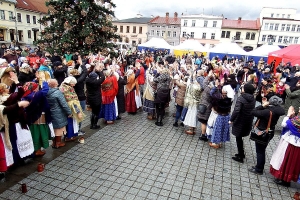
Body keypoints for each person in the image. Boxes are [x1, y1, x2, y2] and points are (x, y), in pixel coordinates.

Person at [249, 96, 285, 175]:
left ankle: (259, 169)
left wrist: (262, 106)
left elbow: (253, 112)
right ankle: (259, 166)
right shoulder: (278, 110)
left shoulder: (267, 112)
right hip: (270, 132)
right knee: (262, 150)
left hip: (262, 133)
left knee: (260, 151)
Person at [270, 106, 300, 187]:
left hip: (292, 143)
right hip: (296, 144)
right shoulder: (297, 118)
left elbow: (284, 124)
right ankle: (286, 179)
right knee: (292, 162)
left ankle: (285, 180)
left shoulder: (298, 120)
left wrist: (288, 115)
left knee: (286, 160)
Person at [22, 79, 51, 156]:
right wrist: (44, 81)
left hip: (31, 118)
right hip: (38, 117)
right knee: (38, 133)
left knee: (34, 133)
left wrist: (36, 79)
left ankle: (34, 149)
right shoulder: (36, 95)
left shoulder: (25, 95)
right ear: (34, 88)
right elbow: (45, 90)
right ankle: (37, 150)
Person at [230, 83, 256, 163]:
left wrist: (231, 119)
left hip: (240, 120)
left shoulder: (241, 98)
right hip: (248, 120)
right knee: (240, 137)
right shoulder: (253, 98)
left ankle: (240, 156)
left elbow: (236, 110)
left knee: (238, 137)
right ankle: (241, 153)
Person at [207, 79, 234, 149]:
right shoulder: (230, 99)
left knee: (217, 129)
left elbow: (211, 94)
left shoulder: (219, 98)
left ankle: (216, 143)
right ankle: (220, 142)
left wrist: (216, 86)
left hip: (220, 116)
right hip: (227, 116)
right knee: (224, 129)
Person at [46, 79, 72, 148]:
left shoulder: (46, 92)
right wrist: (69, 112)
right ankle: (58, 143)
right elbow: (64, 104)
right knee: (59, 129)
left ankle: (54, 142)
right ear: (55, 84)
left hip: (51, 112)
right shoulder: (57, 93)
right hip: (59, 112)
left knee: (54, 128)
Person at [59, 77, 85, 141]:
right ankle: (70, 137)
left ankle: (67, 136)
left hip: (64, 109)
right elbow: (73, 102)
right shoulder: (69, 89)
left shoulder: (62, 87)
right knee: (71, 123)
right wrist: (78, 112)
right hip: (71, 110)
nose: (74, 85)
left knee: (68, 123)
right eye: (73, 84)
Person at [85, 63, 105, 129]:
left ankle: (91, 124)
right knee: (96, 112)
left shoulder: (87, 81)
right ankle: (95, 124)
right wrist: (98, 71)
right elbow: (103, 77)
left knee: (93, 111)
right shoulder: (96, 82)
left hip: (90, 98)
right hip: (96, 98)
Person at [198, 71, 214, 141]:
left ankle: (203, 135)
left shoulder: (209, 89)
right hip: (209, 106)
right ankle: (206, 133)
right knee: (206, 121)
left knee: (203, 121)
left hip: (205, 106)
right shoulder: (215, 90)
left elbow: (204, 83)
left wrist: (208, 76)